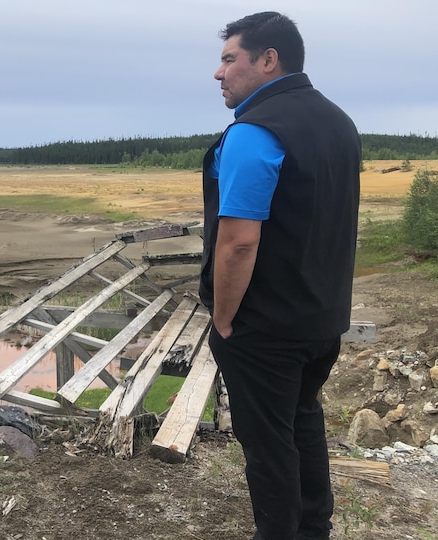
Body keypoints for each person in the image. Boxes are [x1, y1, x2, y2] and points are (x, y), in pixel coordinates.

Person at [198, 12, 360, 540]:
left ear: (268, 60)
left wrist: (224, 320)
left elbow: (239, 241)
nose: (218, 74)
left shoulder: (254, 131)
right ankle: (315, 529)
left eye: (229, 59)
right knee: (302, 421)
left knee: (267, 445)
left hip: (264, 328)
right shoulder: (338, 121)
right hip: (321, 319)